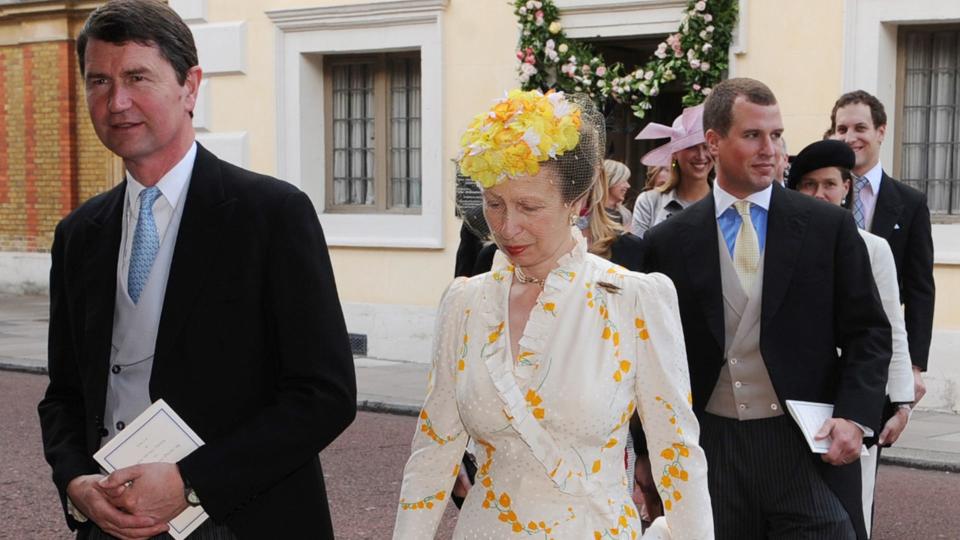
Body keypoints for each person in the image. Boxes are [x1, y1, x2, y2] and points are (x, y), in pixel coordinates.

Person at [37, 2, 357, 539]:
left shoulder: (271, 214)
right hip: (109, 523)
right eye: (98, 80)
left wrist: (191, 482)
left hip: (240, 521)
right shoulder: (78, 233)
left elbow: (323, 395)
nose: (116, 102)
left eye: (138, 76)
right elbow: (64, 395)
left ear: (190, 86)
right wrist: (75, 482)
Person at [393, 89, 712, 539]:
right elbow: (431, 456)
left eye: (529, 206)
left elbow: (678, 456)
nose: (507, 227)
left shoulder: (634, 299)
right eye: (494, 203)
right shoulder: (464, 304)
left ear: (577, 202)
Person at [643, 78, 891, 540]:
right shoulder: (667, 242)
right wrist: (645, 450)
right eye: (752, 135)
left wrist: (855, 416)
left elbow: (869, 334)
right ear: (713, 142)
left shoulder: (827, 228)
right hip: (710, 448)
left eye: (776, 135)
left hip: (801, 446)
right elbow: (650, 357)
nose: (769, 149)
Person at [787, 139, 915, 537]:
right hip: (796, 398)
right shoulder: (784, 245)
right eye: (808, 185)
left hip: (854, 396)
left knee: (852, 509)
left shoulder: (874, 248)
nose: (819, 194)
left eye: (828, 184)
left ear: (846, 189)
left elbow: (888, 325)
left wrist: (901, 402)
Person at [830, 90, 935, 405]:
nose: (851, 137)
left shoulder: (910, 203)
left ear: (880, 131)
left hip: (882, 353)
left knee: (870, 446)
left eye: (860, 128)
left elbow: (919, 289)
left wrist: (914, 366)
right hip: (827, 346)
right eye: (842, 129)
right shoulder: (819, 197)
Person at [630, 104, 714, 237]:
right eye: (691, 147)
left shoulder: (727, 202)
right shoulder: (650, 201)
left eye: (706, 147)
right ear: (674, 153)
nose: (701, 156)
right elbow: (638, 253)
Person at [602, 159, 634, 226]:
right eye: (624, 180)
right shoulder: (588, 212)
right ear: (610, 180)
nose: (628, 186)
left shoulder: (626, 214)